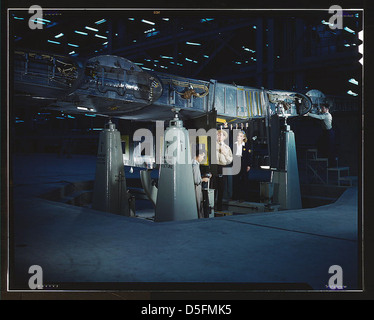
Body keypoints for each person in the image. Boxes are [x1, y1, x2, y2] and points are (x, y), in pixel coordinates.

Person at [215, 129, 233, 211]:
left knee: (221, 188)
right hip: (215, 167)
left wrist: (224, 153)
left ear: (224, 137)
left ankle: (219, 207)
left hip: (223, 167)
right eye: (218, 135)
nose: (219, 136)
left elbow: (230, 160)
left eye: (221, 135)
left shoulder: (227, 148)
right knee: (213, 187)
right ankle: (212, 206)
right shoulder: (213, 145)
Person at [233, 130, 252, 201]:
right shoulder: (234, 145)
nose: (239, 137)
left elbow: (249, 156)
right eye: (238, 135)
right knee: (236, 180)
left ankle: (243, 197)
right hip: (236, 164)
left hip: (244, 165)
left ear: (243, 137)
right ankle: (235, 196)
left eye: (241, 136)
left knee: (244, 181)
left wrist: (248, 165)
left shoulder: (246, 145)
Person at [192, 147, 210, 218]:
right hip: (196, 188)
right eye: (203, 156)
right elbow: (196, 180)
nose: (203, 158)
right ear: (199, 155)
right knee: (199, 206)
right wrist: (203, 179)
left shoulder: (192, 163)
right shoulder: (195, 165)